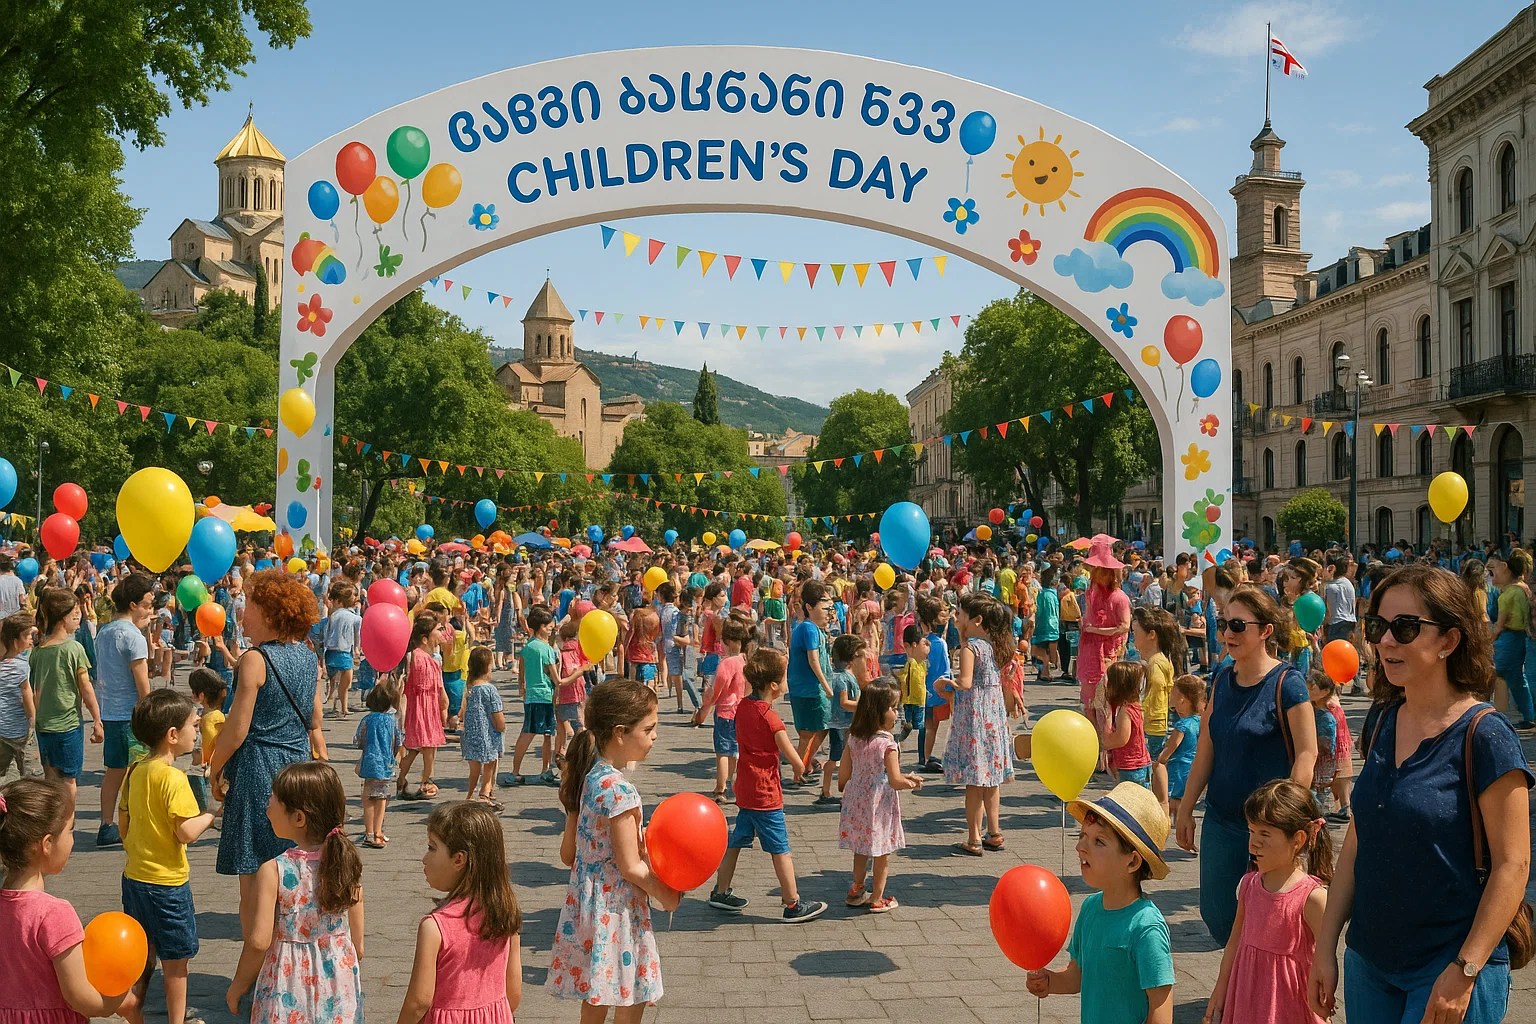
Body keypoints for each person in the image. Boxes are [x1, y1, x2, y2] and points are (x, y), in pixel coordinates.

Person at [1307, 563, 1533, 1024]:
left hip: (1449, 964)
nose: (1386, 641)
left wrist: (1465, 969)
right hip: (1370, 962)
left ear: (1449, 640)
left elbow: (1514, 865)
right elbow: (1359, 840)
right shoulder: (1383, 718)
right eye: (1378, 627)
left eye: (1405, 627)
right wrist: (1325, 947)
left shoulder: (1485, 735)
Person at [1175, 583, 1319, 946]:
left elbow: (1307, 753)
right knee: (1218, 913)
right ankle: (1243, 971)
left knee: (1269, 917)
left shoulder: (1288, 683)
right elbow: (1206, 745)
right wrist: (1186, 808)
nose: (1228, 633)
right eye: (1224, 624)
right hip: (1222, 820)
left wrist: (1287, 816)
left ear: (1266, 631)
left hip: (1270, 828)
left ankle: (1255, 977)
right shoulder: (1222, 678)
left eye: (1238, 625)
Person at [207, 569, 327, 962]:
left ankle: (260, 967)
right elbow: (314, 719)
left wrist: (214, 767)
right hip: (298, 770)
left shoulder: (255, 660)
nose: (243, 614)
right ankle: (292, 959)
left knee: (255, 881)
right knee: (293, 872)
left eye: (252, 607)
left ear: (271, 615)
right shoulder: (308, 657)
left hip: (259, 769)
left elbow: (237, 729)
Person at [546, 680, 677, 1021]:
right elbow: (631, 866)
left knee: (598, 993)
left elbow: (571, 854)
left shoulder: (591, 778)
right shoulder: (620, 792)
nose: (654, 736)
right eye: (648, 729)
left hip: (591, 905)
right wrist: (667, 894)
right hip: (618, 909)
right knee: (631, 991)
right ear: (620, 732)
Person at [1026, 782, 1175, 1024]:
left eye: (1099, 841)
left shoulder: (1146, 928)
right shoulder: (1090, 909)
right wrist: (1050, 982)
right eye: (1082, 836)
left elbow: (1161, 1009)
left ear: (1132, 862)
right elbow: (1077, 976)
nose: (1080, 847)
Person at [226, 761, 364, 1021]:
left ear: (298, 818)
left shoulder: (275, 869)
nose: (268, 804)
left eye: (274, 798)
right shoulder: (346, 860)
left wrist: (239, 985)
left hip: (287, 984)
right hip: (338, 980)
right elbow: (358, 944)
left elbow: (258, 941)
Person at [708, 647, 827, 923]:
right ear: (773, 685)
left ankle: (720, 891)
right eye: (784, 678)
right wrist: (804, 766)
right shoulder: (771, 719)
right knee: (779, 847)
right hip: (765, 793)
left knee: (736, 841)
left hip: (746, 789)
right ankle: (792, 903)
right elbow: (794, 759)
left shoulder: (743, 707)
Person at [119, 688, 215, 1024]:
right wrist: (211, 814)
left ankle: (134, 1004)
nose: (197, 731)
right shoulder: (174, 778)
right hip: (168, 885)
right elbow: (185, 832)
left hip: (135, 878)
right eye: (194, 726)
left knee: (143, 952)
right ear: (173, 735)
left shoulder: (134, 770)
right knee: (176, 963)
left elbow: (124, 825)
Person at [0, 778, 132, 1022]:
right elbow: (81, 998)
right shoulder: (54, 914)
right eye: (70, 830)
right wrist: (118, 997)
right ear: (47, 844)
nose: (73, 839)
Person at [1206, 780, 1332, 1024]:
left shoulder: (1312, 898)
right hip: (1246, 1002)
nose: (1253, 843)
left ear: (1298, 839)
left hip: (1291, 1009)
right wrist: (1221, 988)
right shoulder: (1248, 885)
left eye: (1265, 834)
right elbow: (1234, 941)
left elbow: (1324, 964)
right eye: (1252, 831)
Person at [396, 802, 522, 1024]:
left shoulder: (435, 927)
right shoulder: (505, 913)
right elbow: (513, 992)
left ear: (458, 859)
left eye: (432, 847)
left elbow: (419, 1002)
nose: (425, 858)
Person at [838, 682, 922, 913]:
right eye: (893, 708)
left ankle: (856, 889)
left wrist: (845, 788)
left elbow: (844, 774)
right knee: (882, 852)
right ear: (878, 712)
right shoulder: (888, 744)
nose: (897, 713)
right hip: (879, 805)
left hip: (857, 801)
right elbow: (894, 780)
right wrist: (911, 783)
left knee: (861, 848)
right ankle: (877, 897)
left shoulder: (854, 738)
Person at [947, 594, 1013, 856]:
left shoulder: (970, 648)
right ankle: (994, 832)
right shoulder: (993, 646)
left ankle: (974, 838)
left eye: (961, 615)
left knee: (974, 782)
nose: (957, 618)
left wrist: (945, 684)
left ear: (977, 619)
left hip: (975, 720)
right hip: (993, 719)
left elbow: (965, 682)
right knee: (991, 780)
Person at [93, 574, 155, 848]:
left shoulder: (104, 632)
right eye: (147, 605)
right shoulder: (132, 636)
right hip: (132, 714)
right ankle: (137, 823)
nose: (150, 610)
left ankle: (106, 824)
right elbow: (142, 683)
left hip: (110, 711)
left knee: (114, 772)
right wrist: (151, 714)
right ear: (133, 604)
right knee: (139, 772)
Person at [695, 617, 750, 805]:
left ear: (727, 642)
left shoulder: (727, 663)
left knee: (722, 752)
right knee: (734, 750)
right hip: (739, 711)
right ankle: (731, 782)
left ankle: (720, 787)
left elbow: (719, 687)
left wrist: (708, 702)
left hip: (725, 712)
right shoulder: (744, 660)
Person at [396, 610, 449, 799]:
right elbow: (430, 687)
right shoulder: (419, 658)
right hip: (423, 708)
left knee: (417, 748)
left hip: (425, 707)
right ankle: (426, 781)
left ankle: (402, 779)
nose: (441, 633)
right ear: (425, 638)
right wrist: (443, 703)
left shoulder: (426, 658)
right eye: (438, 630)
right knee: (427, 746)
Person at [787, 581, 835, 780]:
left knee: (824, 726)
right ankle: (799, 771)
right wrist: (827, 686)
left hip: (813, 688)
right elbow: (813, 660)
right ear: (809, 607)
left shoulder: (816, 629)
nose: (828, 612)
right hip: (808, 689)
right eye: (824, 608)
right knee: (807, 733)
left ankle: (806, 763)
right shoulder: (808, 628)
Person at [512, 606, 560, 786]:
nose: (551, 629)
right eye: (548, 626)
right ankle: (516, 772)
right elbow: (556, 678)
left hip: (532, 695)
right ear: (541, 627)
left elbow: (521, 673)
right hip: (544, 695)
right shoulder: (546, 649)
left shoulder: (528, 647)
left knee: (545, 734)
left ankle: (543, 769)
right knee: (530, 733)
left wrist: (522, 689)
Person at [1489, 550, 1536, 731]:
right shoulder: (1523, 588)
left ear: (1506, 568)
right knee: (1517, 677)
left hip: (1509, 638)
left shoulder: (1508, 594)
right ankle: (1527, 714)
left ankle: (1511, 714)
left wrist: (1488, 640)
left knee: (1503, 673)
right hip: (1520, 636)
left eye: (1495, 568)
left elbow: (1500, 625)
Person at [818, 633, 866, 808]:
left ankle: (840, 791)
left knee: (846, 758)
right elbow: (844, 702)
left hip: (846, 724)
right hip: (840, 725)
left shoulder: (845, 676)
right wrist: (864, 706)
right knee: (836, 759)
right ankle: (827, 792)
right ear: (853, 657)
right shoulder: (842, 678)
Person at [1132, 607, 1184, 759]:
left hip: (1150, 727)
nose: (1133, 636)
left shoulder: (1154, 665)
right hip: (1155, 726)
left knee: (1150, 765)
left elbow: (1151, 698)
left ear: (1151, 635)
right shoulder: (1159, 659)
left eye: (1136, 632)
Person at [354, 682, 401, 848]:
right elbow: (398, 741)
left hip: (369, 761)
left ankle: (369, 832)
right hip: (386, 762)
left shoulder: (367, 720)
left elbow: (358, 740)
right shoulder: (392, 721)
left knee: (368, 798)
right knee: (382, 797)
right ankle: (378, 831)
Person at [459, 647, 505, 808]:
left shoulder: (470, 689)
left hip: (471, 735)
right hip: (488, 735)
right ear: (487, 667)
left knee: (474, 769)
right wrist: (501, 726)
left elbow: (463, 713)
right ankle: (485, 793)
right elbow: (496, 713)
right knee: (490, 764)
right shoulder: (489, 689)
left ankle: (470, 795)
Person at [1156, 674, 1204, 819]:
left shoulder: (1182, 725)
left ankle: (1170, 823)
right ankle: (1183, 822)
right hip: (1192, 767)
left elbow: (1171, 747)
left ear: (1182, 699)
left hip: (1177, 768)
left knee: (1172, 801)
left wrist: (1160, 761)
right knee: (1184, 802)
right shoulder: (1200, 722)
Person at [916, 595, 953, 772]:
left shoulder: (920, 642)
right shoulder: (939, 643)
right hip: (936, 691)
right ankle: (926, 758)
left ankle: (924, 756)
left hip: (922, 689)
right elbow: (945, 669)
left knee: (925, 726)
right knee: (931, 727)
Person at [1102, 660, 1153, 789]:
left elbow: (1121, 739)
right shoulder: (1133, 706)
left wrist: (1105, 740)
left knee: (1130, 799)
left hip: (1131, 768)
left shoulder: (1125, 711)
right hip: (1135, 766)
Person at [0, 613, 36, 782]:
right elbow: (26, 697)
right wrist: (33, 720)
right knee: (27, 771)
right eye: (28, 636)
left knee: (3, 771)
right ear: (15, 641)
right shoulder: (21, 666)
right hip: (18, 730)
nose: (31, 639)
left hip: (2, 729)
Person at [323, 581, 362, 719]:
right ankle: (343, 707)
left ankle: (334, 703)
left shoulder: (332, 616)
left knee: (333, 679)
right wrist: (357, 649)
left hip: (330, 650)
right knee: (346, 682)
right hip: (345, 651)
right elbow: (357, 636)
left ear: (338, 601)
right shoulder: (356, 618)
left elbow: (326, 633)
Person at [895, 626, 929, 764]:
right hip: (908, 702)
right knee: (907, 727)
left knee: (921, 727)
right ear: (914, 645)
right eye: (923, 644)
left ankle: (923, 757)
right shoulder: (909, 662)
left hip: (919, 701)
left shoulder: (920, 663)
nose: (926, 648)